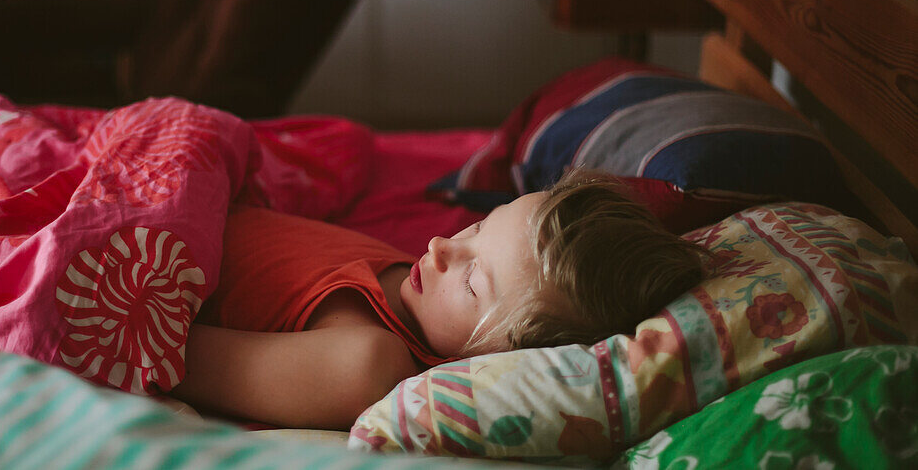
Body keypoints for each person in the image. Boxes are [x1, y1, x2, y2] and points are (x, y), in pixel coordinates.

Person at [170, 169, 710, 430]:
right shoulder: (419, 291)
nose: (441, 246)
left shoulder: (364, 366)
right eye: (477, 226)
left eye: (474, 283)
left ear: (511, 358)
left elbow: (160, 351)